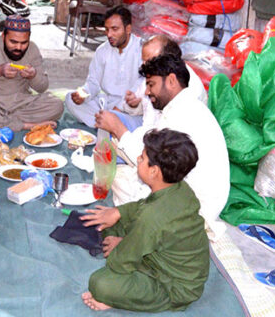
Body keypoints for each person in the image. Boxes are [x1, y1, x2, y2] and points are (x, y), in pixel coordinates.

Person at [95, 54, 230, 239]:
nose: (147, 92)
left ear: (172, 80)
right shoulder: (180, 107)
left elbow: (154, 165)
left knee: (120, 180)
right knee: (123, 174)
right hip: (186, 193)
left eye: (151, 85)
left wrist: (118, 129)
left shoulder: (184, 115)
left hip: (195, 209)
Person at [80, 129, 209, 312]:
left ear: (154, 171)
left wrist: (122, 246)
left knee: (100, 283)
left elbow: (120, 263)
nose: (138, 160)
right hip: (163, 252)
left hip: (174, 286)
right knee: (114, 220)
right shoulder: (180, 187)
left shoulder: (152, 217)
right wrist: (117, 212)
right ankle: (132, 253)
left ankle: (120, 299)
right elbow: (143, 206)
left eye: (142, 158)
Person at [0, 15, 63, 132]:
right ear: (3, 36)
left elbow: (42, 87)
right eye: (13, 42)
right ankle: (26, 125)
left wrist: (33, 76)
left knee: (57, 105)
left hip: (20, 102)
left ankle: (4, 122)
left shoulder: (32, 49)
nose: (18, 47)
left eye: (24, 43)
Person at [65, 6, 142, 128]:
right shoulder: (102, 50)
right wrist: (83, 94)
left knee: (142, 113)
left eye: (114, 29)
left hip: (130, 107)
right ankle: (109, 125)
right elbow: (93, 82)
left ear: (128, 29)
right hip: (107, 103)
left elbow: (142, 86)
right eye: (106, 29)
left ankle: (106, 124)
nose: (109, 34)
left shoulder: (141, 49)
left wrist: (121, 107)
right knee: (69, 99)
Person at [117, 34, 206, 131]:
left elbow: (170, 136)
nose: (144, 66)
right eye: (143, 61)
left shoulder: (189, 88)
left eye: (149, 61)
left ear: (167, 59)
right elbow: (146, 107)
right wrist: (134, 105)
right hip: (150, 131)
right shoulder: (154, 75)